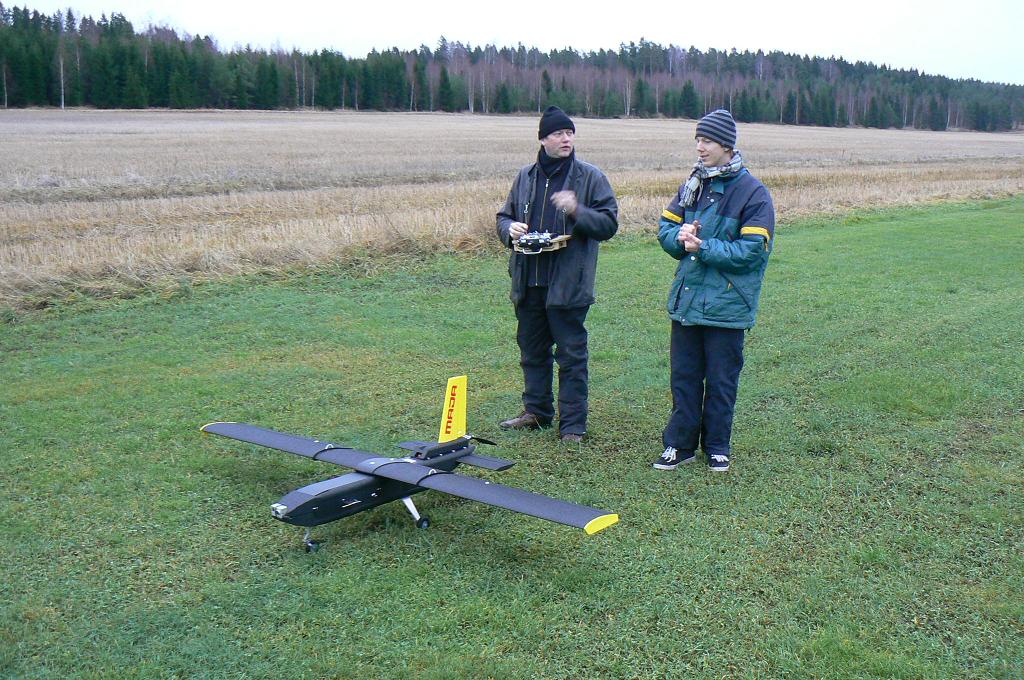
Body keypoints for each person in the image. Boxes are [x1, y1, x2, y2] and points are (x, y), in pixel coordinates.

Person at [653, 109, 775, 472]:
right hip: (688, 301)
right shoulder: (694, 184)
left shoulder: (753, 193)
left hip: (728, 306)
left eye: (706, 141)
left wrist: (701, 246)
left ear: (726, 145)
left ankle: (717, 446)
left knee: (721, 381)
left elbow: (753, 252)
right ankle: (680, 445)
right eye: (697, 140)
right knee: (684, 377)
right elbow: (665, 227)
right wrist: (678, 237)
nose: (699, 147)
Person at [496, 106, 619, 443]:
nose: (566, 139)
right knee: (532, 351)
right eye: (558, 133)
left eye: (569, 133)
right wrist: (510, 229)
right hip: (529, 280)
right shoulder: (525, 177)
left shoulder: (590, 177)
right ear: (542, 139)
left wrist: (576, 209)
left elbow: (608, 225)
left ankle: (573, 426)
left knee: (571, 356)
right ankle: (536, 412)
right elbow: (502, 217)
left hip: (568, 284)